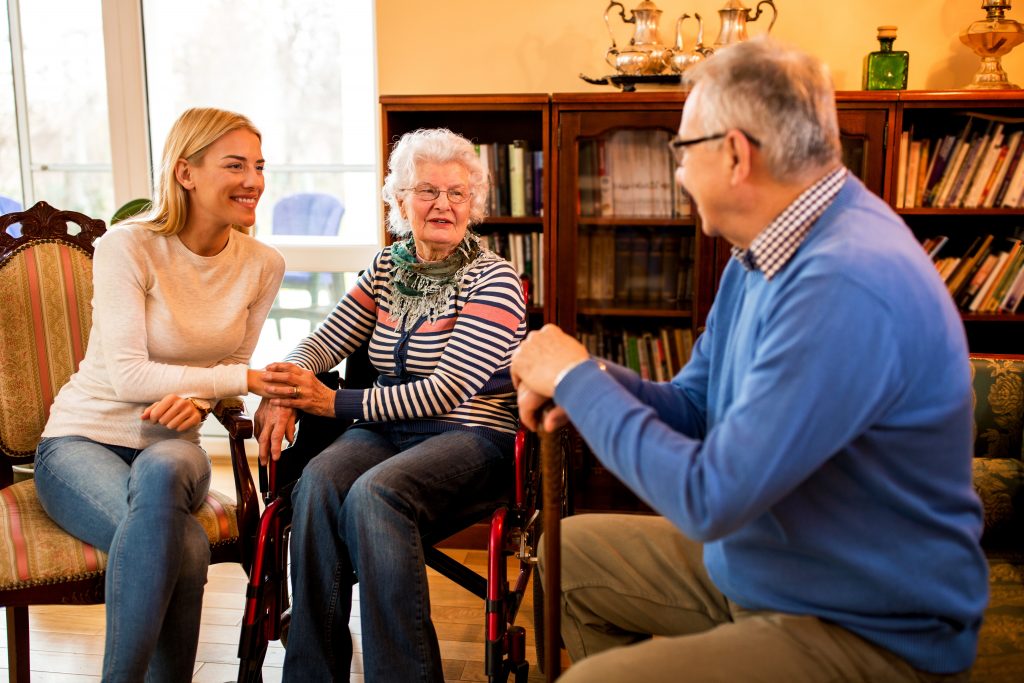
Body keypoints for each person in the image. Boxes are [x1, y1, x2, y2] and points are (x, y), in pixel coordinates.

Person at [511, 39, 987, 683]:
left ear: (735, 154)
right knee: (569, 553)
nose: (677, 173)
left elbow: (710, 498)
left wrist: (573, 377)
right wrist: (590, 380)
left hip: (869, 627)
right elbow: (696, 406)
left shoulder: (844, 280)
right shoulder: (761, 252)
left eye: (683, 151)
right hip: (772, 570)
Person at [252, 127, 528, 682]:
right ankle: (311, 674)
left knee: (376, 495)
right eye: (427, 191)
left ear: (473, 202)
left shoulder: (494, 279)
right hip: (389, 433)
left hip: (474, 438)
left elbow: (448, 389)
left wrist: (334, 404)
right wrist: (288, 387)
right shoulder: (386, 268)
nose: (443, 204)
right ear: (400, 199)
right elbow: (324, 339)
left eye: (457, 193)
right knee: (319, 482)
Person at [34, 107, 285, 683]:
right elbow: (128, 377)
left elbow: (227, 365)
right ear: (185, 173)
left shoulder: (263, 265)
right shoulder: (129, 246)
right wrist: (239, 383)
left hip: (174, 442)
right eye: (234, 165)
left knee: (169, 466)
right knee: (189, 548)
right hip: (81, 439)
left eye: (259, 166)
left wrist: (200, 399)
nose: (253, 180)